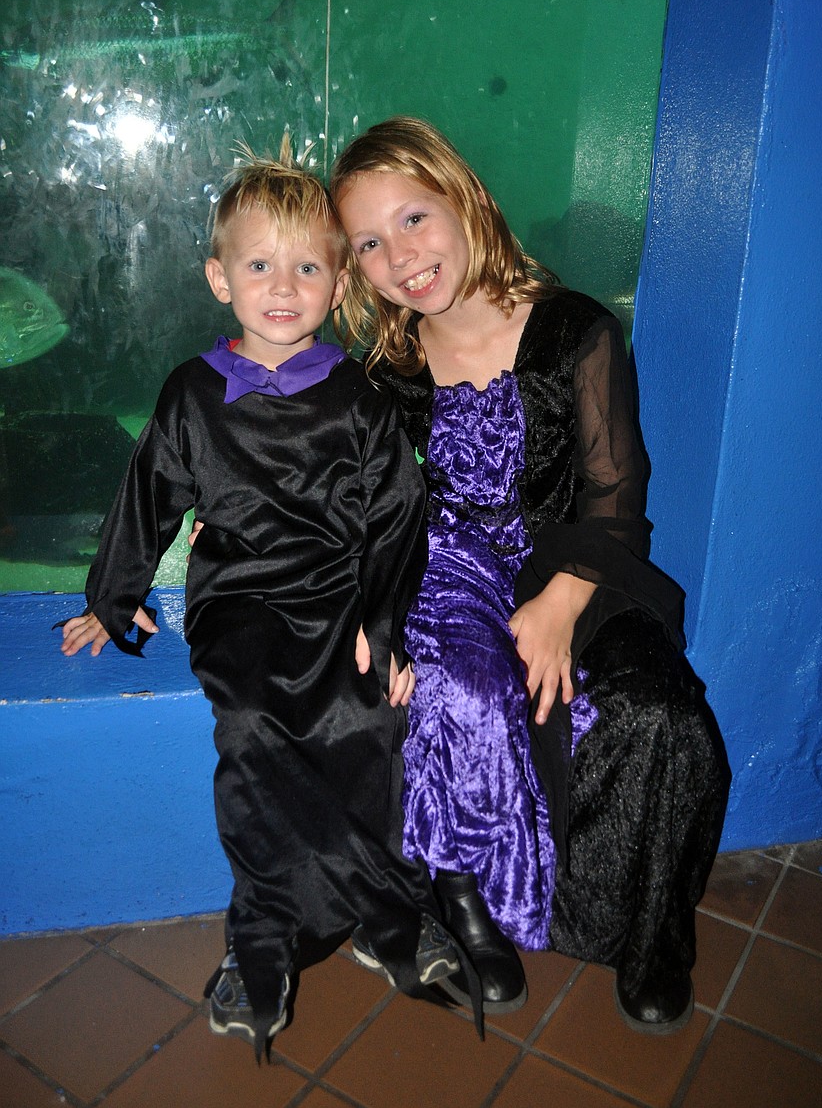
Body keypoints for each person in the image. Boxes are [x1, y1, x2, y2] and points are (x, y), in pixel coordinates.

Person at [58, 140, 460, 1060]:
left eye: (310, 265)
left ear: (336, 284)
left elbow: (398, 513)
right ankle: (262, 941)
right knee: (251, 730)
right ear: (218, 278)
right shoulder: (193, 393)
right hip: (238, 597)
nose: (285, 284)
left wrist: (382, 622)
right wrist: (112, 596)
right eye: (260, 264)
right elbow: (149, 491)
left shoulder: (357, 394)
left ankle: (390, 919)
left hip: (339, 595)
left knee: (365, 726)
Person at [328, 116, 730, 1033]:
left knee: (661, 710)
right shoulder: (387, 373)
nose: (403, 255)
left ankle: (656, 932)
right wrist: (375, 615)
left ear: (465, 201)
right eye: (370, 243)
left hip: (578, 562)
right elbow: (375, 516)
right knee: (461, 690)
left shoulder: (576, 330)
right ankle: (466, 899)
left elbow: (617, 489)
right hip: (447, 569)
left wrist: (562, 598)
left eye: (415, 219)